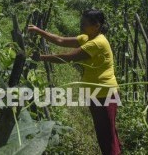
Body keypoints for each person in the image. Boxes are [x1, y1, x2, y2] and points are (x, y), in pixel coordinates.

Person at [28, 9, 122, 155]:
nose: (81, 26)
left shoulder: (97, 43)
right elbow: (60, 40)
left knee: (106, 137)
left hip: (104, 94)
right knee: (106, 133)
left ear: (96, 26)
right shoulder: (88, 38)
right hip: (96, 93)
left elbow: (67, 57)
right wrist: (39, 31)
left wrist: (41, 57)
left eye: (84, 23)